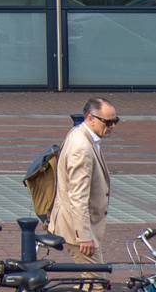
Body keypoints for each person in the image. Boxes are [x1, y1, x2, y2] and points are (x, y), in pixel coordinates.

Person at [49, 98, 117, 263]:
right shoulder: (81, 147)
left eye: (116, 121)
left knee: (92, 283)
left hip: (78, 227)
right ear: (91, 118)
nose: (112, 126)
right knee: (96, 284)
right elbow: (78, 196)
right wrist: (84, 236)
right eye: (108, 122)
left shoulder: (81, 134)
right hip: (76, 231)